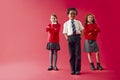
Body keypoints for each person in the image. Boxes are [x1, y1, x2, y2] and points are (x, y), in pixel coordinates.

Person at [63, 8, 84, 75]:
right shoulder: (66, 23)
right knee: (71, 55)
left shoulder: (78, 22)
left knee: (77, 54)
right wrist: (67, 38)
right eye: (71, 13)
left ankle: (77, 70)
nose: (72, 15)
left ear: (76, 15)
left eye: (74, 14)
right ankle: (72, 69)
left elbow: (82, 30)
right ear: (68, 15)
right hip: (70, 38)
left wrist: (80, 36)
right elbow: (65, 32)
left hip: (77, 37)